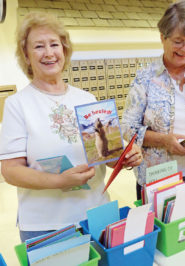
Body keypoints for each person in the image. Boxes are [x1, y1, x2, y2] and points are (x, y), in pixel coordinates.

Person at [0, 12, 143, 242]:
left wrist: (125, 157)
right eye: (38, 46)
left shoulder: (87, 98)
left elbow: (106, 154)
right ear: (26, 56)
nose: (48, 53)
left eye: (54, 44)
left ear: (64, 51)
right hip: (46, 225)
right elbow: (10, 171)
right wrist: (60, 181)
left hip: (96, 216)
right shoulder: (18, 105)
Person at [121, 0, 185, 200]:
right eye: (178, 41)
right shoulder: (145, 78)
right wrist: (164, 140)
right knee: (160, 230)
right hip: (157, 178)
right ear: (162, 38)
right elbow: (127, 126)